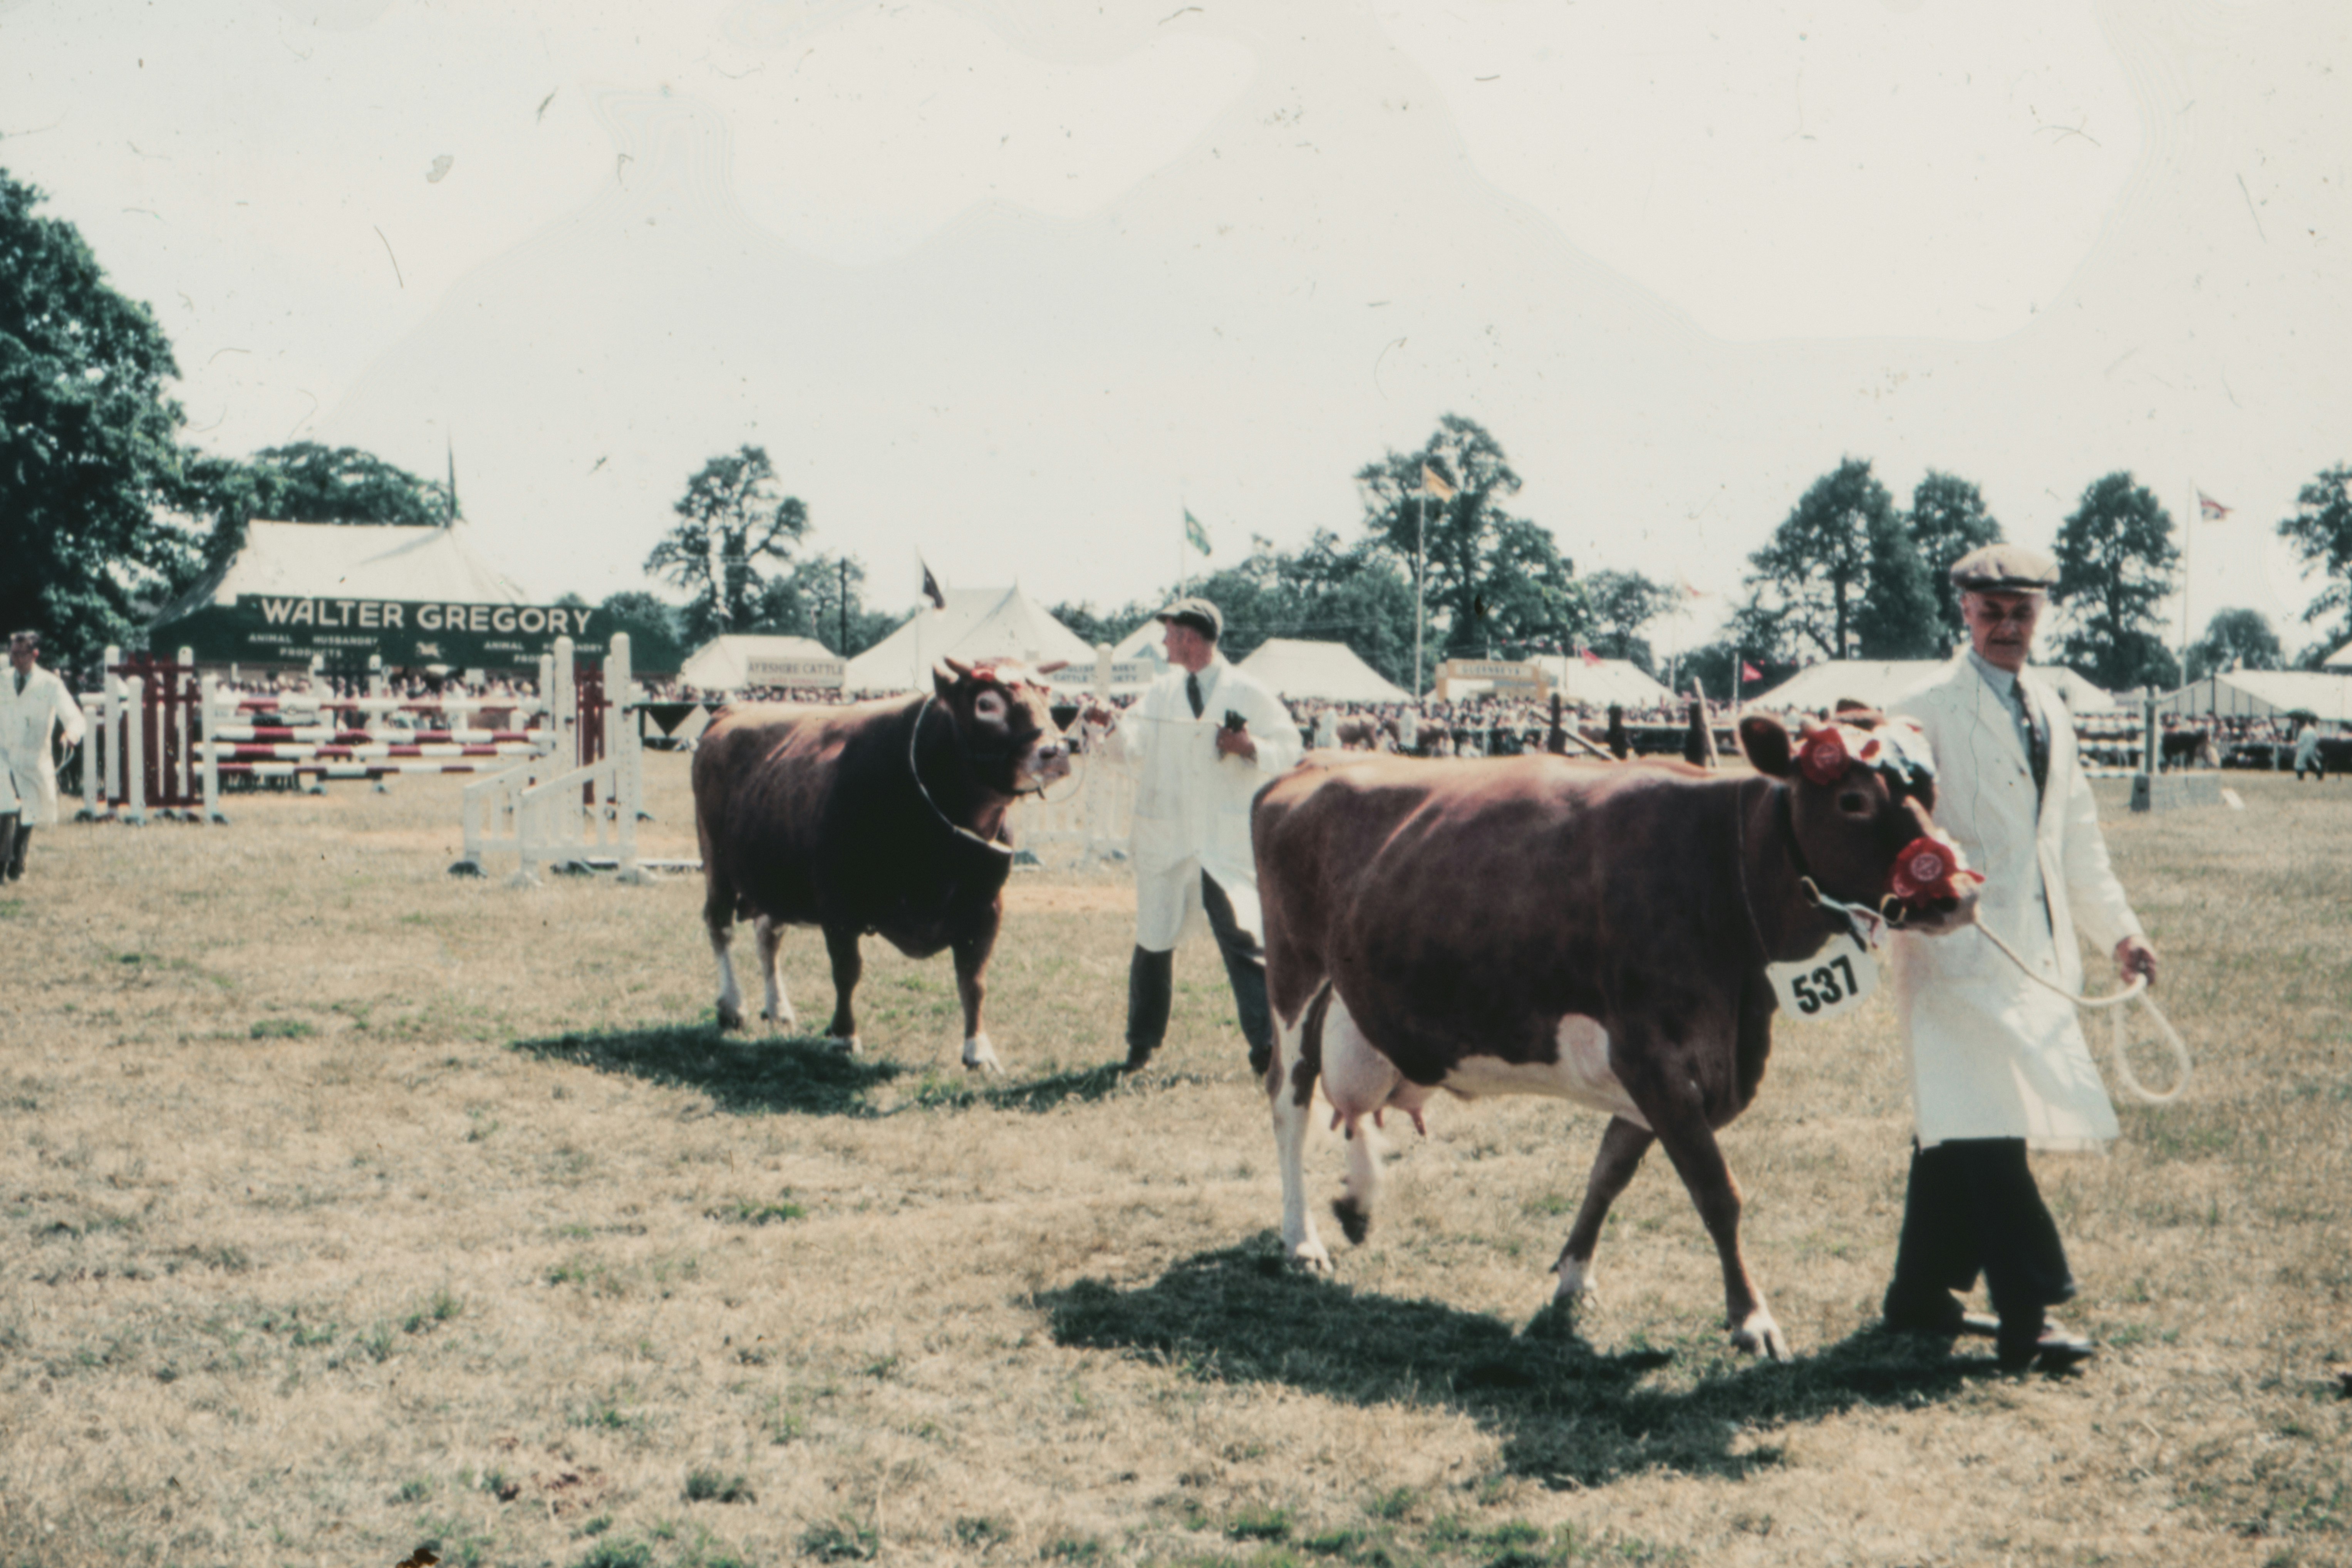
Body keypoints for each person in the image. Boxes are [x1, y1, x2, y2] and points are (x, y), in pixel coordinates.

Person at [1881, 544, 2159, 1372]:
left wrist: (2118, 929)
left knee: (1959, 1121)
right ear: (1960, 610)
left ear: (2041, 614)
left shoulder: (2052, 708)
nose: (2006, 625)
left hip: (2029, 955)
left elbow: (2072, 838)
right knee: (1986, 1128)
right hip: (1948, 955)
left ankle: (1920, 1294)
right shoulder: (1917, 710)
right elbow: (1882, 834)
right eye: (1989, 609)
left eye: (2021, 611)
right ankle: (2027, 1310)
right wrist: (1925, 901)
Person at [1085, 597, 1303, 1075]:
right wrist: (1110, 725)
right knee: (1152, 942)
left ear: (1189, 638)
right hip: (1169, 837)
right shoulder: (1161, 692)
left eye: (1169, 633)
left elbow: (1291, 748)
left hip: (1222, 843)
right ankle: (1140, 1046)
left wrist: (1250, 747)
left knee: (1242, 941)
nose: (1163, 641)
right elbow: (1131, 746)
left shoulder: (1248, 691)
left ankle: (1266, 1048)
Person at [0, 631, 88, 881]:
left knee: (29, 811)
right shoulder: (2, 679)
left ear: (34, 654)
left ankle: (17, 861)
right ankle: (1, 864)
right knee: (4, 809)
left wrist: (71, 734)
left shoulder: (50, 684)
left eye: (21, 653)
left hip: (33, 755)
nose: (16, 658)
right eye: (12, 653)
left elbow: (74, 716)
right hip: (4, 753)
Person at [2293, 717, 2324, 781]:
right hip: (2312, 748)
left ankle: (2301, 777)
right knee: (2315, 762)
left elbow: (2301, 742)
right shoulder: (2313, 730)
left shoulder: (2303, 731)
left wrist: (2295, 746)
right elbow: (2317, 740)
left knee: (2300, 762)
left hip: (2304, 749)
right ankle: (2320, 775)